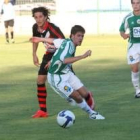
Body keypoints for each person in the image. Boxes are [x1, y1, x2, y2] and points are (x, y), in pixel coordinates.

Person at [30, 25, 105, 120]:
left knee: (85, 93)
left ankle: (70, 98)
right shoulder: (69, 46)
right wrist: (83, 56)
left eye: (82, 36)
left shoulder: (66, 41)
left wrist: (39, 39)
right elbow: (65, 60)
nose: (81, 38)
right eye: (78, 36)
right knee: (77, 97)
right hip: (56, 77)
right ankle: (91, 114)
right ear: (72, 35)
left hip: (66, 72)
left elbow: (54, 41)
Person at [31, 7, 65, 118]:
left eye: (40, 16)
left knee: (66, 82)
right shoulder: (35, 27)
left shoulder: (53, 29)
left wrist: (54, 60)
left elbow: (64, 45)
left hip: (60, 55)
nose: (38, 19)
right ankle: (43, 111)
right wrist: (34, 54)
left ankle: (86, 97)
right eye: (36, 17)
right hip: (48, 54)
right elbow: (35, 39)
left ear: (46, 17)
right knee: (40, 80)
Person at [119, 0, 140, 98]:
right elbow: (122, 29)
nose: (136, 5)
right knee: (134, 69)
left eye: (138, 3)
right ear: (131, 4)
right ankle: (138, 90)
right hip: (133, 46)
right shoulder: (128, 17)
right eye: (134, 3)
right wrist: (124, 35)